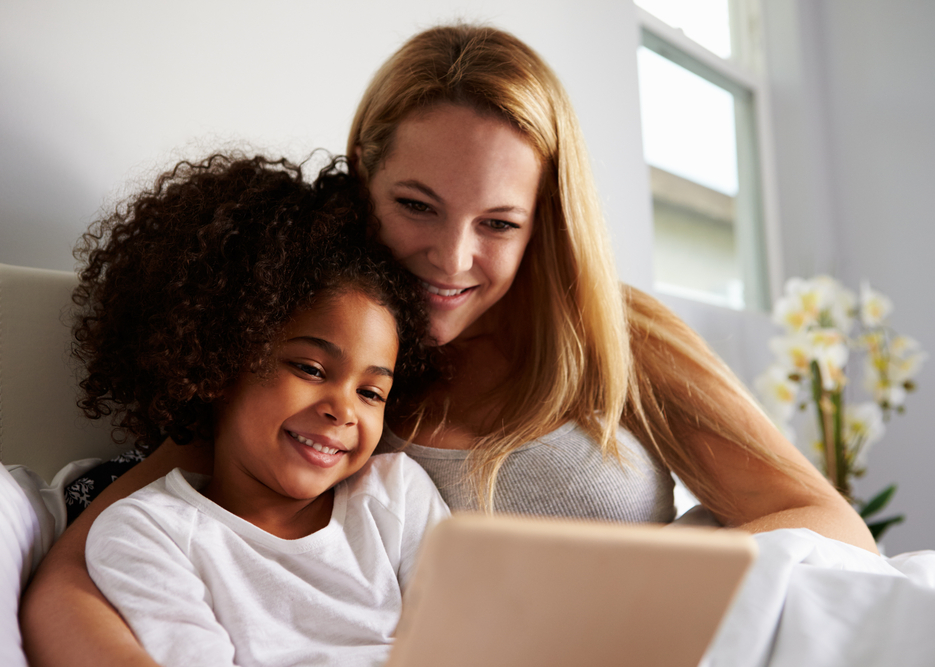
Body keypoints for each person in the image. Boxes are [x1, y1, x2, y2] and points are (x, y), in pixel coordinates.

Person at [20, 23, 876, 667]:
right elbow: (70, 579)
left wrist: (641, 578)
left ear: (543, 221)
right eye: (417, 205)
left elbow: (830, 524)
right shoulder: (304, 352)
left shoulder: (614, 337)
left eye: (498, 223)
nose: (450, 259)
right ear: (365, 173)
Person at [74, 153, 450, 666]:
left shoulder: (396, 498)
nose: (343, 410)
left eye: (371, 393)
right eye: (312, 370)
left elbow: (468, 644)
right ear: (220, 362)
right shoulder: (147, 532)